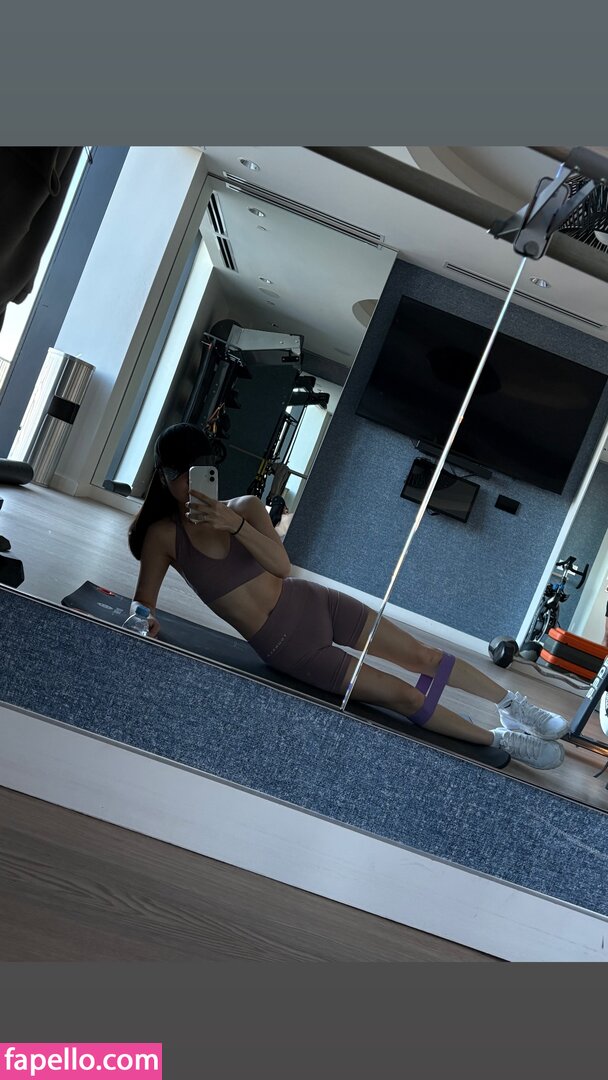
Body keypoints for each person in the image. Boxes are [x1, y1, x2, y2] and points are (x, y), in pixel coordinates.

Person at [128, 423, 568, 772]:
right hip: (289, 648)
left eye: (198, 469)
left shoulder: (245, 507)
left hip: (314, 602)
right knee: (406, 697)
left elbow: (282, 567)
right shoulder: (163, 536)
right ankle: (500, 739)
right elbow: (143, 601)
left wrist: (234, 525)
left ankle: (514, 706)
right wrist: (142, 618)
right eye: (177, 474)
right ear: (164, 476)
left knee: (425, 656)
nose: (187, 482)